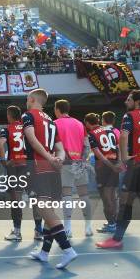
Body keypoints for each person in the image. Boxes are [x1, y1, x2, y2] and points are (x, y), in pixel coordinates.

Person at [23, 89, 77, 269]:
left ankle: (67, 249)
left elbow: (31, 139)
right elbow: (60, 148)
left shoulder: (29, 116)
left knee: (44, 210)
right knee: (49, 210)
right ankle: (45, 252)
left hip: (38, 167)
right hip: (53, 169)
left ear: (31, 100)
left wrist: (47, 157)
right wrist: (57, 159)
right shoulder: (51, 121)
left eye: (27, 99)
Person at [96, 90, 140, 251]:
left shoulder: (130, 115)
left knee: (125, 203)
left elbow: (123, 136)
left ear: (136, 101)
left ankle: (117, 239)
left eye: (128, 99)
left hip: (136, 165)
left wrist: (124, 157)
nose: (126, 102)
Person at [0, 106, 43, 241]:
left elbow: (0, 145)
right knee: (35, 199)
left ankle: (17, 232)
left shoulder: (6, 129)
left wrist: (4, 163)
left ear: (9, 115)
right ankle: (38, 231)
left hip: (15, 168)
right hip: (29, 166)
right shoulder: (27, 128)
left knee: (16, 201)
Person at [54, 99, 93, 237]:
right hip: (79, 163)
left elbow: (53, 146)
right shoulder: (80, 124)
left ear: (57, 109)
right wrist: (82, 160)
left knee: (67, 194)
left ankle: (68, 227)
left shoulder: (54, 124)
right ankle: (88, 227)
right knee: (84, 195)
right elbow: (87, 146)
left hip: (65, 163)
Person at [84, 113, 122, 234]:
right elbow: (118, 147)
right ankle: (115, 222)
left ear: (88, 123)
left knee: (106, 197)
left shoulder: (91, 134)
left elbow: (98, 153)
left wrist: (110, 165)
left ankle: (112, 224)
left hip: (103, 166)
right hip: (115, 162)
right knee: (113, 195)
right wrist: (118, 163)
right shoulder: (109, 130)